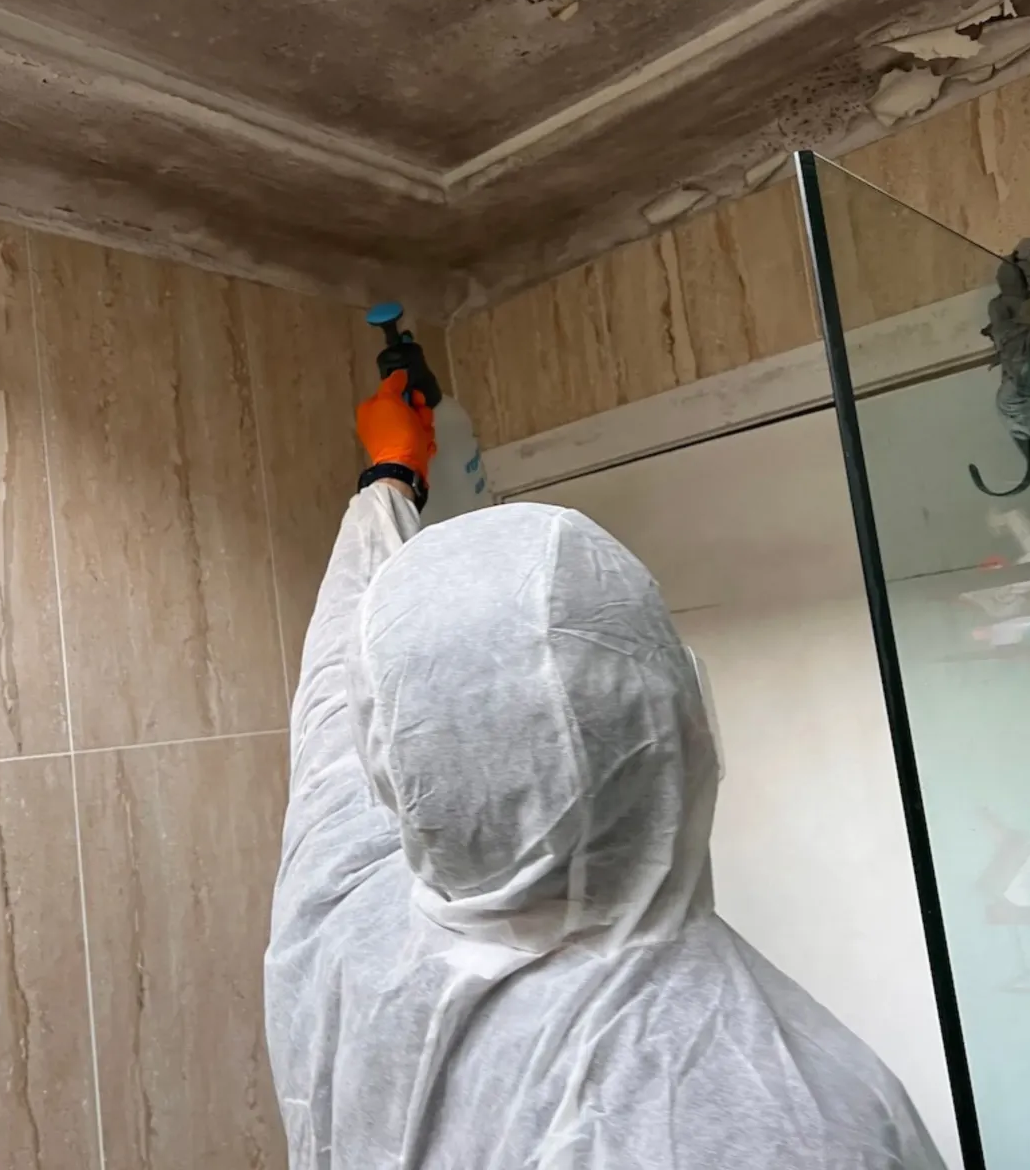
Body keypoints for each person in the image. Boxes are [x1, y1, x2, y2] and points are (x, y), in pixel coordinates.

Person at [264, 371, 947, 1169]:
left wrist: (390, 474)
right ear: (682, 714)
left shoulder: (344, 914)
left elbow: (332, 701)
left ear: (392, 756)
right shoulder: (805, 1120)